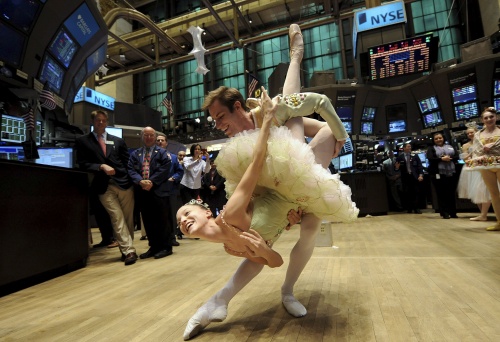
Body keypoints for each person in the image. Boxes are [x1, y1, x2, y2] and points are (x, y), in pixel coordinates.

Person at [179, 24, 355, 340]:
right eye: (215, 121)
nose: (218, 126)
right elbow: (251, 184)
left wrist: (338, 136)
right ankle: (219, 301)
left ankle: (287, 291)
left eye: (220, 118)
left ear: (237, 107)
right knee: (259, 239)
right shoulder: (238, 145)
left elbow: (316, 117)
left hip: (299, 169)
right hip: (273, 195)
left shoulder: (266, 112)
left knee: (311, 223)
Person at [75, 110, 138, 265]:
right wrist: (100, 166)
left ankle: (126, 248)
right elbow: (82, 163)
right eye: (98, 120)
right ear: (92, 121)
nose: (101, 123)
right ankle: (129, 250)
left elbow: (128, 162)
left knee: (128, 218)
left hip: (124, 183)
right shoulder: (83, 141)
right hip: (103, 186)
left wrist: (132, 180)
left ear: (107, 122)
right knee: (116, 217)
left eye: (103, 120)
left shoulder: (118, 141)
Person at [128, 127, 173, 259]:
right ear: (142, 137)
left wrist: (151, 181)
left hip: (158, 191)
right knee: (148, 221)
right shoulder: (135, 154)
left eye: (151, 135)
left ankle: (166, 247)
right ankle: (154, 247)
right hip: (142, 192)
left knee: (162, 220)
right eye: (146, 135)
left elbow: (165, 168)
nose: (148, 137)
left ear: (154, 137)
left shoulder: (162, 153)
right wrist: (140, 181)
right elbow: (130, 169)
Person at [466, 107, 500, 230]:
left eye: (491, 117)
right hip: (485, 165)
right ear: (482, 120)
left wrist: (492, 146)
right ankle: (499, 222)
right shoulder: (478, 135)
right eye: (486, 118)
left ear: (496, 117)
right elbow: (476, 150)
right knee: (494, 194)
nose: (489, 119)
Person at [457, 123, 491, 221]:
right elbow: (464, 158)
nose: (470, 134)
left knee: (483, 190)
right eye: (468, 133)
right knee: (475, 192)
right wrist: (471, 154)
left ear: (476, 132)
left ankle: (484, 214)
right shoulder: (465, 145)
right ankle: (482, 214)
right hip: (471, 168)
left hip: (482, 167)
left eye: (472, 132)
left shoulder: (482, 142)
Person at [156, 132, 184, 246]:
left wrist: (174, 177)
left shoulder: (173, 157)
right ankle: (161, 239)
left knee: (172, 215)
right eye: (158, 140)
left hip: (171, 189)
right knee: (159, 216)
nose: (160, 142)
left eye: (162, 140)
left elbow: (180, 171)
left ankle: (172, 237)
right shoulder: (151, 157)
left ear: (166, 143)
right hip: (157, 190)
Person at [426, 132, 459, 219]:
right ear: (433, 140)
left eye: (440, 138)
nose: (438, 140)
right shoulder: (431, 148)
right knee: (441, 193)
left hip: (451, 172)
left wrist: (449, 158)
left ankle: (453, 212)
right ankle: (444, 212)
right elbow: (430, 158)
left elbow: (457, 156)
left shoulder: (450, 146)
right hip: (438, 173)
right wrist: (441, 159)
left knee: (451, 193)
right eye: (436, 139)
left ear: (443, 138)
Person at [396, 143, 424, 214]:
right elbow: (396, 168)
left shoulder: (415, 156)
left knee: (416, 192)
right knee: (407, 193)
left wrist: (421, 175)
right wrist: (396, 167)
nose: (410, 148)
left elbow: (420, 166)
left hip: (414, 176)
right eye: (408, 147)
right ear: (404, 148)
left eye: (410, 146)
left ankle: (416, 208)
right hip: (405, 177)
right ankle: (409, 208)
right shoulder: (400, 157)